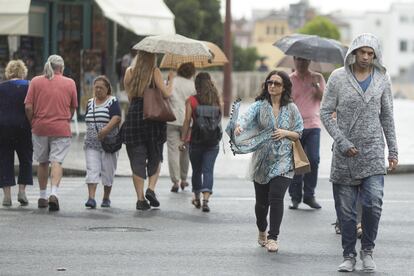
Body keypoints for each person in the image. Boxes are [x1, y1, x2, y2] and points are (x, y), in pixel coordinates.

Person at [320, 33, 398, 273]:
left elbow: (387, 116)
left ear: (375, 55)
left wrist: (393, 149)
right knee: (346, 211)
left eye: (370, 53)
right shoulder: (338, 77)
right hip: (345, 153)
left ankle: (367, 250)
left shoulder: (382, 79)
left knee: (373, 203)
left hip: (373, 150)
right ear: (354, 52)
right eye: (362, 52)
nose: (365, 57)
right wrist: (342, 141)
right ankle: (348, 255)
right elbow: (325, 113)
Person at [229, 70, 303, 252]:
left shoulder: (292, 108)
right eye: (270, 82)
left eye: (277, 83)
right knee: (261, 204)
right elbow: (246, 118)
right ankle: (262, 228)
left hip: (284, 161)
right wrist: (239, 126)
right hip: (262, 160)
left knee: (276, 197)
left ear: (284, 87)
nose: (272, 86)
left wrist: (285, 132)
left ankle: (273, 237)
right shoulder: (260, 105)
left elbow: (299, 132)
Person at [25, 55, 78, 211]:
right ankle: (54, 193)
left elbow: (28, 107)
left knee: (42, 162)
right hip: (61, 128)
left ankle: (42, 196)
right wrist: (66, 119)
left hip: (40, 127)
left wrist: (33, 122)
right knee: (56, 161)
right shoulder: (70, 83)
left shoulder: (35, 81)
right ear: (61, 68)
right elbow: (73, 107)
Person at [123, 50, 174, 210]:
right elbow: (166, 93)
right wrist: (170, 80)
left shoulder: (129, 72)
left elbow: (130, 97)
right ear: (153, 57)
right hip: (153, 119)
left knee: (137, 158)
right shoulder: (155, 71)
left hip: (135, 117)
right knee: (155, 154)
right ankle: (151, 189)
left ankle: (140, 199)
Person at [179, 72, 222, 212]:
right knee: (208, 170)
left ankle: (196, 198)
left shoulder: (191, 100)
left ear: (196, 84)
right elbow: (219, 120)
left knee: (197, 170)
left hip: (196, 140)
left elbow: (186, 121)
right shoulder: (216, 99)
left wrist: (183, 140)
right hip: (213, 142)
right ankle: (206, 200)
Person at [288, 56, 325, 210]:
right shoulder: (289, 79)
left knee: (313, 160)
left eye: (305, 60)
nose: (301, 63)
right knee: (297, 162)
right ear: (294, 60)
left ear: (310, 61)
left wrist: (316, 85)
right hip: (295, 126)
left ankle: (309, 195)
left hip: (313, 124)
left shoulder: (318, 77)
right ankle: (295, 197)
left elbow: (324, 98)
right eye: (299, 60)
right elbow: (285, 101)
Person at [83, 76, 121, 208]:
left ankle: (106, 197)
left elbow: (116, 118)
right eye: (96, 87)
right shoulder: (89, 102)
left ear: (107, 89)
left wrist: (106, 129)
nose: (98, 90)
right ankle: (91, 198)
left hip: (109, 142)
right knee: (92, 169)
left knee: (107, 171)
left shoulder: (113, 101)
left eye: (101, 87)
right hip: (91, 143)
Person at [0, 60, 33, 207]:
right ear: (23, 71)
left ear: (8, 72)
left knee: (5, 159)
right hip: (23, 126)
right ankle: (22, 192)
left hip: (3, 127)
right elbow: (31, 107)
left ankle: (7, 196)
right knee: (25, 158)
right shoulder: (29, 86)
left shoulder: (1, 87)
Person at [167, 62, 196, 193]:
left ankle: (176, 181)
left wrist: (169, 79)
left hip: (172, 120)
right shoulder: (193, 84)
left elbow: (166, 95)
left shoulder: (172, 81)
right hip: (188, 122)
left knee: (173, 151)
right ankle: (184, 179)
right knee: (185, 151)